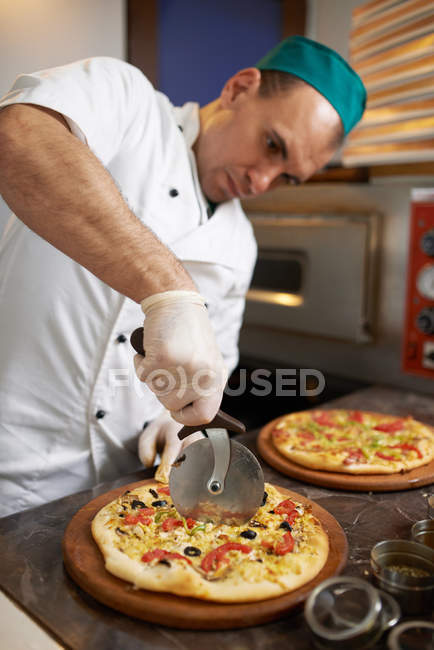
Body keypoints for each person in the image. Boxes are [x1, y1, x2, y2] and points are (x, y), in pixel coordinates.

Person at [0, 37, 366, 516]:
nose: (262, 181)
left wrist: (172, 417)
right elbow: (18, 137)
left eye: (287, 178)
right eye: (272, 145)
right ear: (238, 89)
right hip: (11, 452)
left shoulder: (240, 243)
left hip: (121, 486)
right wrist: (169, 292)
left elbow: (217, 360)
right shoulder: (128, 101)